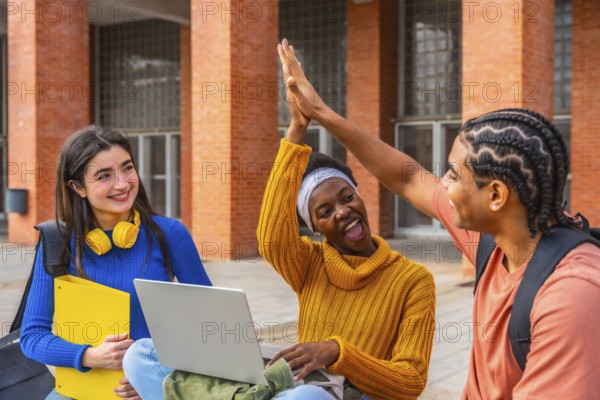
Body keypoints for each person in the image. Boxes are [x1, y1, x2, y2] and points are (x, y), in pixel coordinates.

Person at [277, 38, 600, 398]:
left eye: (452, 174)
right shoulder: (498, 237)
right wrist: (319, 111)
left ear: (495, 196)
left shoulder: (571, 295)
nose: (441, 185)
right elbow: (408, 176)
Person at [254, 46, 436, 400]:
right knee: (145, 355)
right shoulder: (310, 264)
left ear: (360, 198)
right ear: (315, 227)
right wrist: (296, 128)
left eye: (346, 197)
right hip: (305, 390)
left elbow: (411, 381)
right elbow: (272, 240)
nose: (342, 211)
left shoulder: (413, 281)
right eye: (324, 212)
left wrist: (339, 354)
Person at [20, 126, 212, 400]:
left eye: (127, 168)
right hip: (80, 391)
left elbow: (209, 326)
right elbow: (32, 337)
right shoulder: (58, 242)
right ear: (77, 187)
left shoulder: (169, 234)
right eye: (104, 176)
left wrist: (156, 376)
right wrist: (89, 356)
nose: (122, 183)